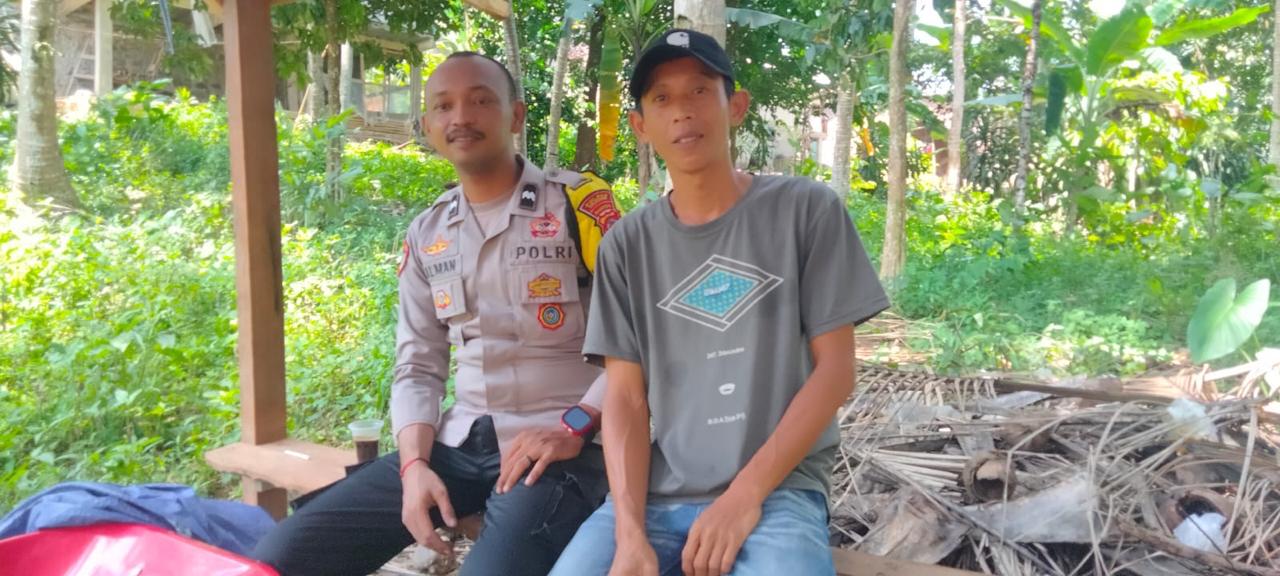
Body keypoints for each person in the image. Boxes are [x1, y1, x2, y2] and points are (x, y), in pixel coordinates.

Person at [253, 51, 623, 576]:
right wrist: (414, 466)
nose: (461, 117)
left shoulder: (575, 207)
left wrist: (576, 425)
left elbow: (639, 335)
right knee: (283, 556)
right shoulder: (428, 233)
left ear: (516, 116)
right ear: (427, 125)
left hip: (563, 446)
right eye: (444, 106)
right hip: (461, 443)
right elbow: (418, 364)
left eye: (480, 101)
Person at [549, 29, 890, 576]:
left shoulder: (805, 210)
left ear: (736, 106)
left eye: (699, 91)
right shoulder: (627, 245)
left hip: (778, 492)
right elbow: (626, 399)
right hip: (654, 499)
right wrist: (629, 533)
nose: (682, 111)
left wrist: (742, 498)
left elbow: (836, 372)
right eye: (662, 98)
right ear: (640, 125)